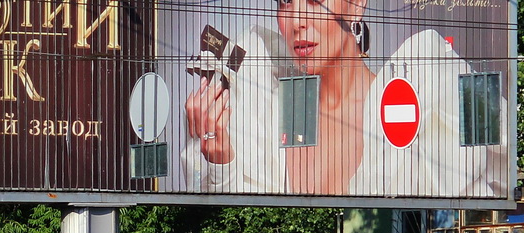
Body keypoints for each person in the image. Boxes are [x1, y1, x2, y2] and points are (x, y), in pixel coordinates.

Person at [181, 0, 507, 197]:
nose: (296, 22)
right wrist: (220, 161)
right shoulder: (258, 109)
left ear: (355, 4)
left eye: (314, 0)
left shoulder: (425, 95)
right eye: (284, 1)